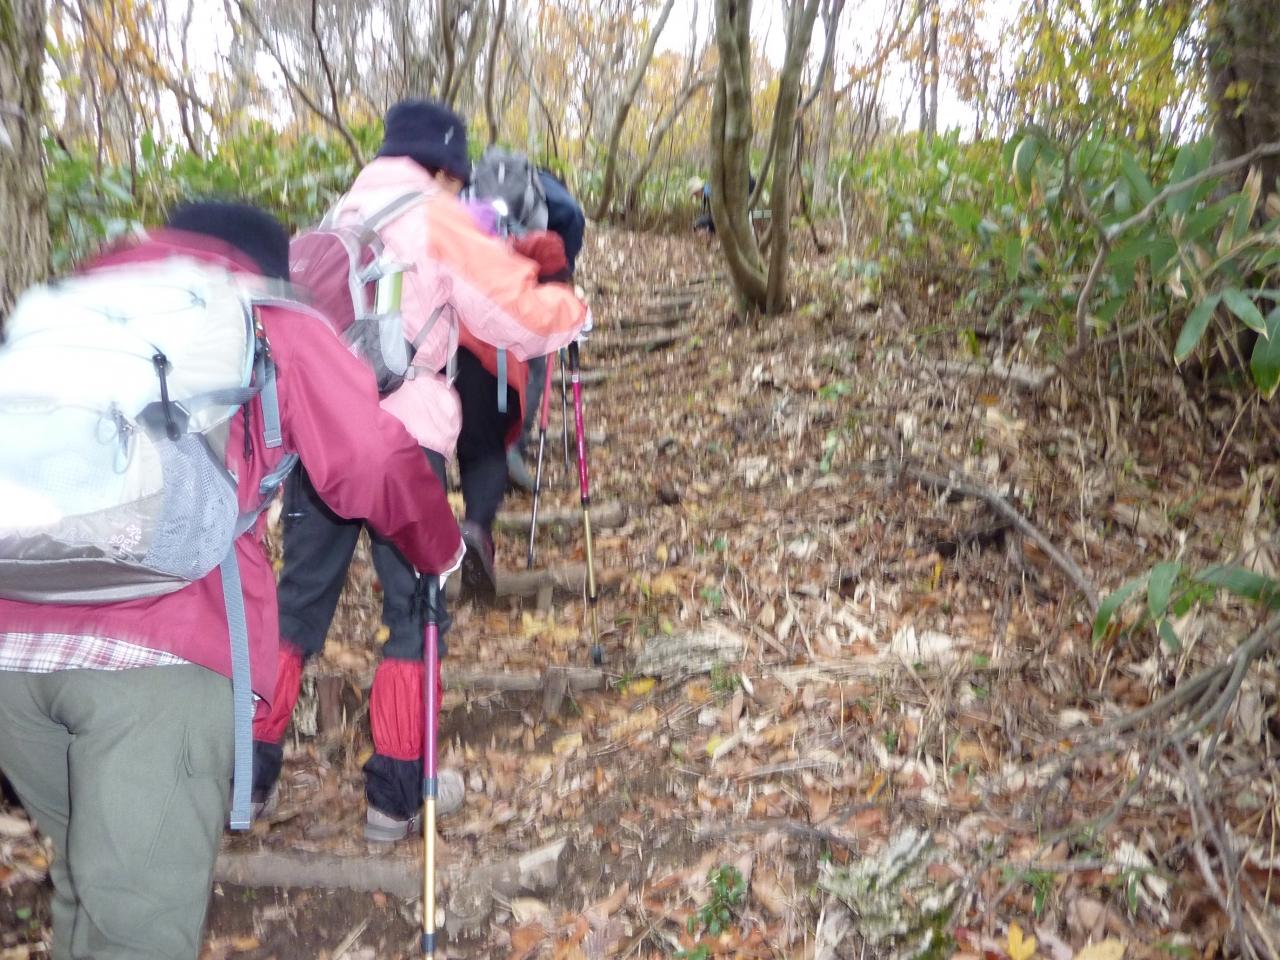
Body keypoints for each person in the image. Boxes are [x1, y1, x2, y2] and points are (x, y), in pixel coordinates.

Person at [0, 201, 464, 960]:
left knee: (90, 882)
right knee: (136, 925)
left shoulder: (73, 302)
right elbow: (371, 459)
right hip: (159, 657)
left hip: (12, 651)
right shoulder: (263, 313)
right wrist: (437, 547)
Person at [255, 99, 589, 842]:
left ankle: (247, 774)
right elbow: (511, 314)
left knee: (295, 606)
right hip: (404, 445)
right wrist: (572, 308)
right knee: (414, 611)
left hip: (322, 436)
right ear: (446, 168)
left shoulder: (341, 212)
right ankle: (397, 795)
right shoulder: (435, 217)